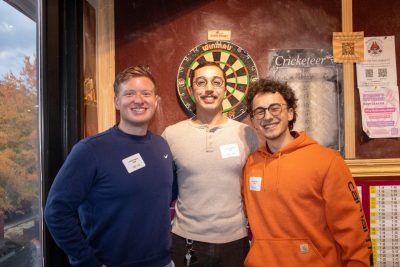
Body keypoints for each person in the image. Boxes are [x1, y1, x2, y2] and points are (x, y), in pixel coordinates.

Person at [44, 65, 174, 267]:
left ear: (155, 101)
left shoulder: (161, 145)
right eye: (129, 93)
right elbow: (56, 212)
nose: (138, 100)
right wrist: (88, 262)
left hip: (164, 263)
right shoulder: (90, 150)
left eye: (146, 93)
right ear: (117, 102)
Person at [242, 79, 373, 266]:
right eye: (259, 111)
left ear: (290, 113)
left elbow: (353, 232)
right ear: (254, 121)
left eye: (275, 108)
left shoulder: (327, 161)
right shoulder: (251, 164)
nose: (268, 116)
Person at [162, 61, 259, 267]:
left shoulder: (246, 134)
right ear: (191, 90)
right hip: (186, 242)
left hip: (235, 242)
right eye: (201, 82)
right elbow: (161, 190)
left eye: (216, 82)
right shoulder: (171, 135)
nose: (209, 89)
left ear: (225, 90)